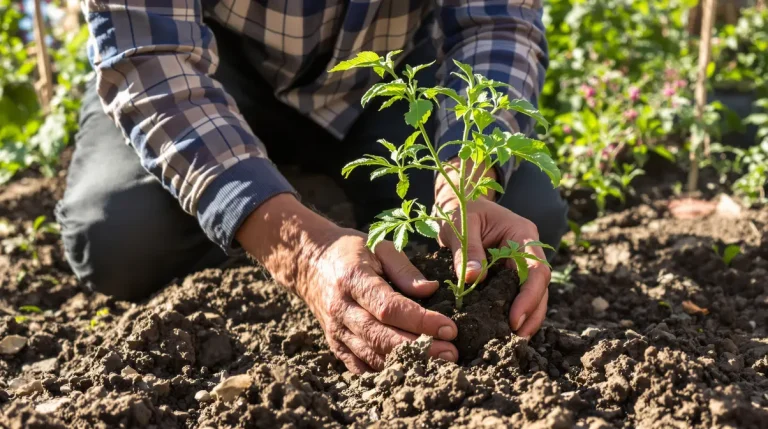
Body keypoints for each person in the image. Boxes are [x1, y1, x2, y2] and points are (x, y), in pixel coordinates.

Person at [58, 0, 568, 373]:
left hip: (387, 76)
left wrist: (467, 180)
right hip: (210, 69)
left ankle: (306, 196)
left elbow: (499, 22)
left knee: (523, 218)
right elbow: (150, 57)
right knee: (121, 236)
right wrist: (302, 252)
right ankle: (282, 202)